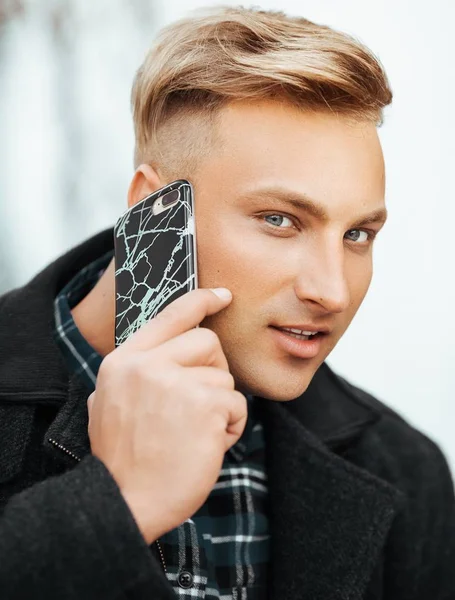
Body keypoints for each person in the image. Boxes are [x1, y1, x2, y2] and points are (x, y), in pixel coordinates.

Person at [0, 5, 453, 600]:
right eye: (279, 220)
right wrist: (118, 503)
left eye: (357, 235)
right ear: (154, 209)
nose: (332, 290)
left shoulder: (405, 468)